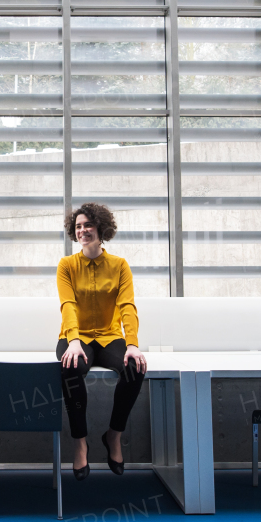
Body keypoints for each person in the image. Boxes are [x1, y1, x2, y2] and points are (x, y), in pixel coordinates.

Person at [56, 202, 147, 479]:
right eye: (79, 226)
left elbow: (127, 306)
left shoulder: (119, 266)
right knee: (70, 368)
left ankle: (114, 435)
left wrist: (132, 344)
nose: (83, 230)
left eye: (88, 225)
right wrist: (73, 340)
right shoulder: (67, 265)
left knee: (135, 368)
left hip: (109, 336)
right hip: (76, 337)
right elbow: (68, 304)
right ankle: (80, 442)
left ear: (101, 229)